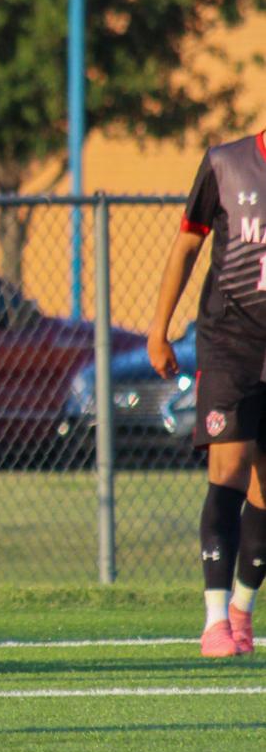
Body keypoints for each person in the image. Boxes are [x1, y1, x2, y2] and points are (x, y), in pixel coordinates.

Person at [148, 123, 266, 655]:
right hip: (230, 340)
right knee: (229, 469)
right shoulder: (226, 163)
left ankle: (242, 610)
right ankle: (214, 620)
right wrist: (159, 328)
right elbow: (186, 244)